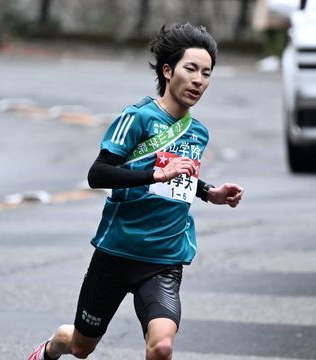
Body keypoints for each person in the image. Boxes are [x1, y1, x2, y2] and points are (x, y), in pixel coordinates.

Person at [28, 23, 244, 360]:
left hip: (163, 259)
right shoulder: (137, 118)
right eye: (191, 69)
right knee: (81, 347)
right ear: (168, 70)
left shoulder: (197, 133)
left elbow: (179, 181)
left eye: (206, 72)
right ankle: (55, 344)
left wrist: (209, 193)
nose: (199, 80)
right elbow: (97, 174)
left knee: (162, 346)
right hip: (116, 253)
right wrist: (155, 174)